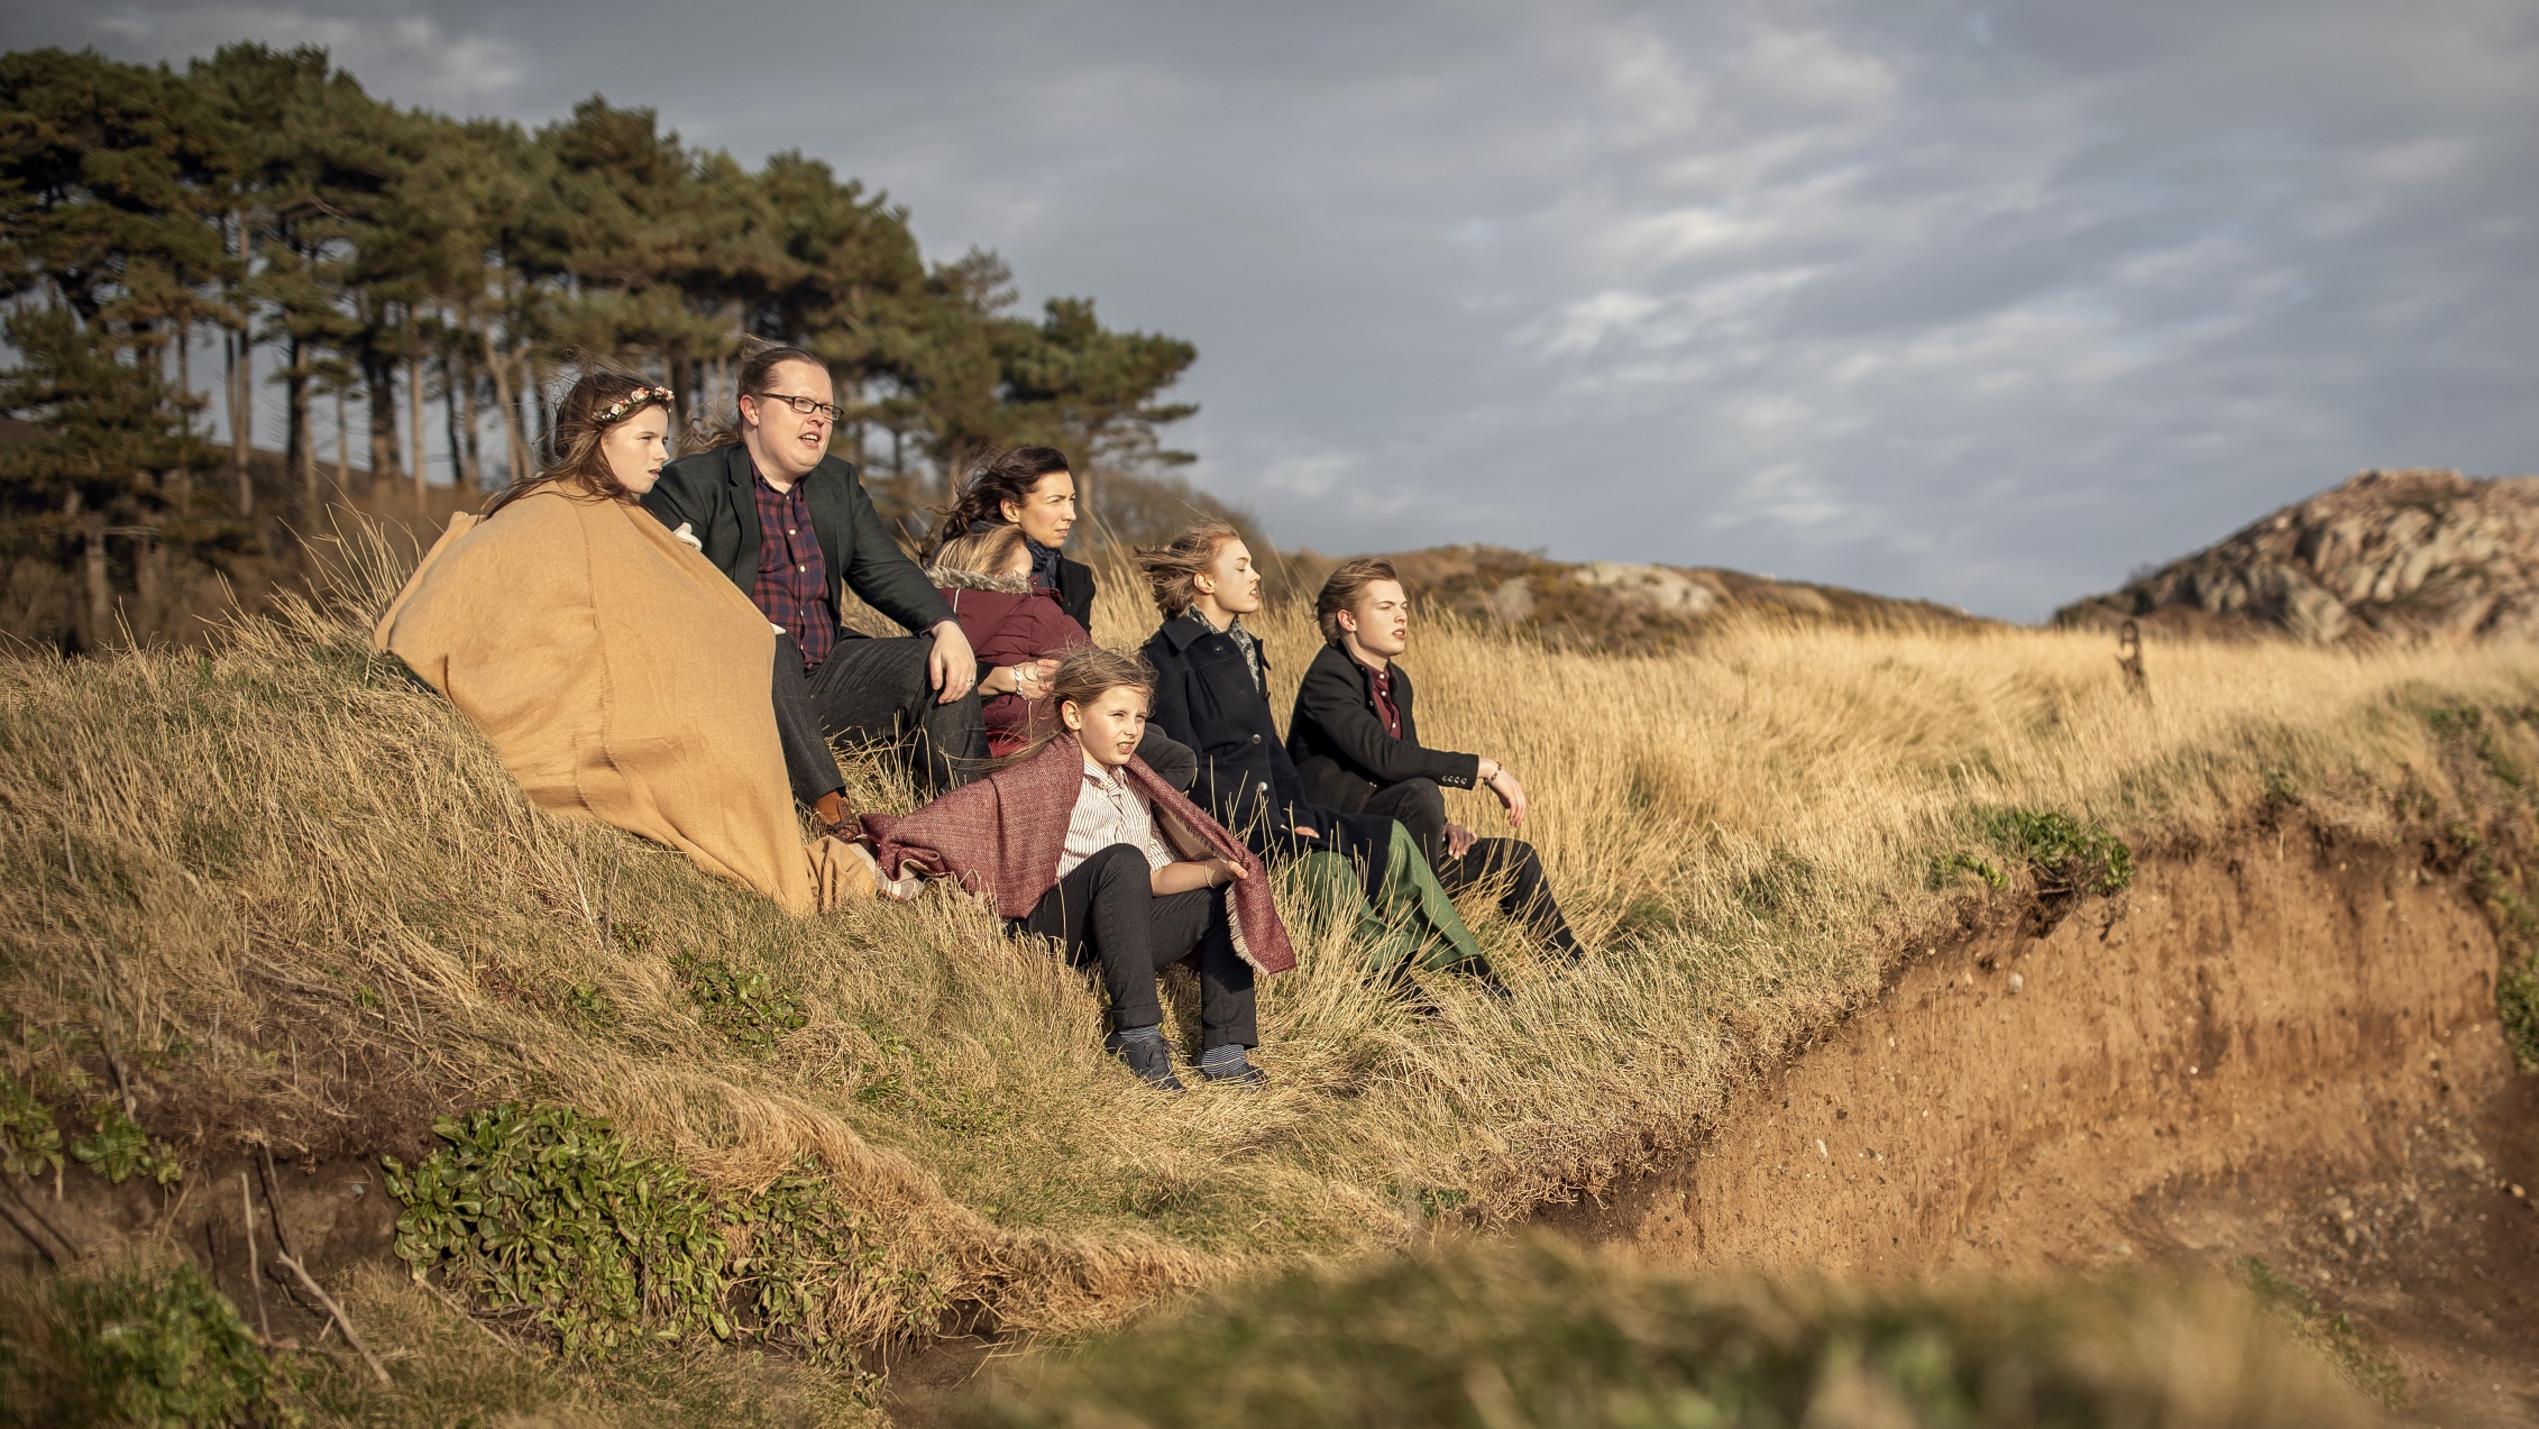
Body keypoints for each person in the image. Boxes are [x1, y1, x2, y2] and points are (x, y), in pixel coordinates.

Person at [374, 371, 876, 914]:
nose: (662, 455)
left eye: (663, 439)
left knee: (736, 711)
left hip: (649, 687)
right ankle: (802, 856)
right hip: (573, 707)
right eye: (645, 440)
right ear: (597, 440)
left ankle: (810, 834)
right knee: (709, 751)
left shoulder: (622, 514)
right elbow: (476, 598)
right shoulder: (546, 512)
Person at [862, 648, 1294, 1090]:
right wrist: (897, 840)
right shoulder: (1041, 780)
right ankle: (1138, 1033)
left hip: (1119, 933)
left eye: (1140, 718)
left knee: (1220, 896)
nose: (1131, 730)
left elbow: (1154, 879)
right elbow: (958, 817)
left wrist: (1217, 872)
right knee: (1122, 858)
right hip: (1053, 933)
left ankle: (1224, 1048)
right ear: (1073, 715)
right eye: (1118, 715)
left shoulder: (1133, 786)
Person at [1135, 523, 1495, 982]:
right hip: (1230, 824)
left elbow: (1273, 752)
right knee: (1327, 868)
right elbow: (1184, 768)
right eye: (1241, 566)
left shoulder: (1243, 647)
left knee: (1391, 837)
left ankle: (1465, 963)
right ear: (1204, 581)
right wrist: (1258, 823)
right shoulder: (1166, 656)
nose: (1255, 575)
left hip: (1280, 811)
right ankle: (1393, 978)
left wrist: (1298, 811)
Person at [643, 342, 982, 794]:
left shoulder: (835, 483)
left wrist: (945, 625)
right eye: (801, 404)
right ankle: (832, 812)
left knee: (934, 665)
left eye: (826, 408)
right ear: (752, 409)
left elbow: (883, 566)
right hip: (739, 688)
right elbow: (665, 594)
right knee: (771, 644)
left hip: (825, 674)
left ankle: (973, 819)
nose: (818, 418)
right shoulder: (692, 483)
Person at [1290, 559, 1584, 961]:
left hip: (1404, 843)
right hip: (1348, 845)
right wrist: (1483, 768)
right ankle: (1428, 937)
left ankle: (1573, 971)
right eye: (1385, 607)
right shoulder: (1328, 678)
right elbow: (1386, 759)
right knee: (1421, 793)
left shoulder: (1396, 681)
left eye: (1404, 606)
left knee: (1517, 859)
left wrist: (1441, 825)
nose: (1401, 616)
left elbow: (1402, 769)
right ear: (1348, 619)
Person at [929, 445, 1196, 787]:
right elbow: (932, 654)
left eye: (1071, 500)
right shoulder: (970, 563)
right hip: (998, 727)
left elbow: (1080, 654)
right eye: (1055, 501)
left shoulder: (1074, 578)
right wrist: (1003, 677)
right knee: (1169, 756)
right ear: (1012, 508)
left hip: (1063, 713)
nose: (1071, 514)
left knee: (1148, 732)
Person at [928, 524, 1086, 756]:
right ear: (1002, 576)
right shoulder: (1031, 608)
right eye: (1025, 577)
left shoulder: (930, 615)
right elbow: (1093, 661)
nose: (1031, 585)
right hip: (1033, 738)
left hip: (964, 743)